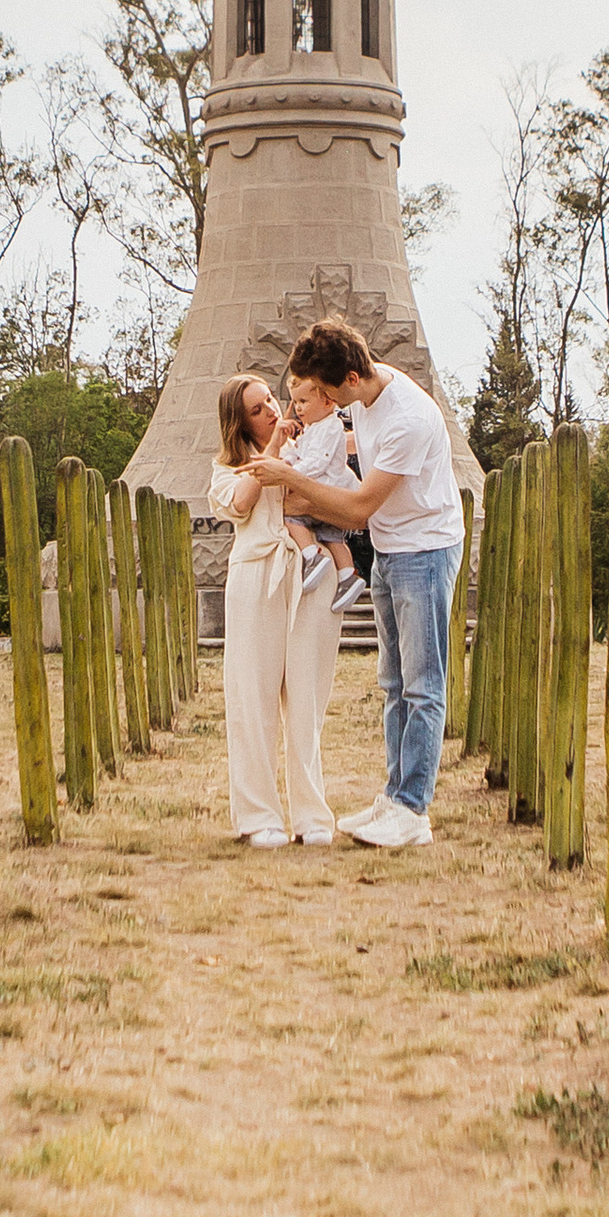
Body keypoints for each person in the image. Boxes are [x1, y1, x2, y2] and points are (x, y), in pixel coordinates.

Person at [245, 316, 463, 850]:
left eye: (321, 391)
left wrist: (292, 479)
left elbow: (361, 509)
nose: (315, 399)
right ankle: (392, 798)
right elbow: (342, 452)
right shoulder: (366, 395)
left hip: (426, 550)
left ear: (347, 377)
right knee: (392, 684)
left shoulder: (407, 418)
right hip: (392, 550)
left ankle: (413, 810)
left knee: (423, 685)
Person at [206, 373, 342, 847]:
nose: (271, 411)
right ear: (240, 422)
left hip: (310, 576)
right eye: (258, 409)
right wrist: (275, 454)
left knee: (307, 696)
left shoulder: (312, 445)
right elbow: (242, 505)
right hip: (257, 577)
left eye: (270, 400)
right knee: (253, 696)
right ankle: (259, 815)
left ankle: (311, 816)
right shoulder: (230, 469)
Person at [277, 374, 369, 613]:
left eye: (304, 401)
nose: (298, 408)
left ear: (327, 402)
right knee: (331, 535)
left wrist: (290, 475)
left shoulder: (330, 427)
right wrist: (285, 461)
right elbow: (298, 451)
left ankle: (312, 556)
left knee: (292, 518)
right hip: (324, 491)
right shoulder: (312, 429)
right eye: (295, 402)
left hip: (327, 490)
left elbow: (318, 462)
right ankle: (347, 575)